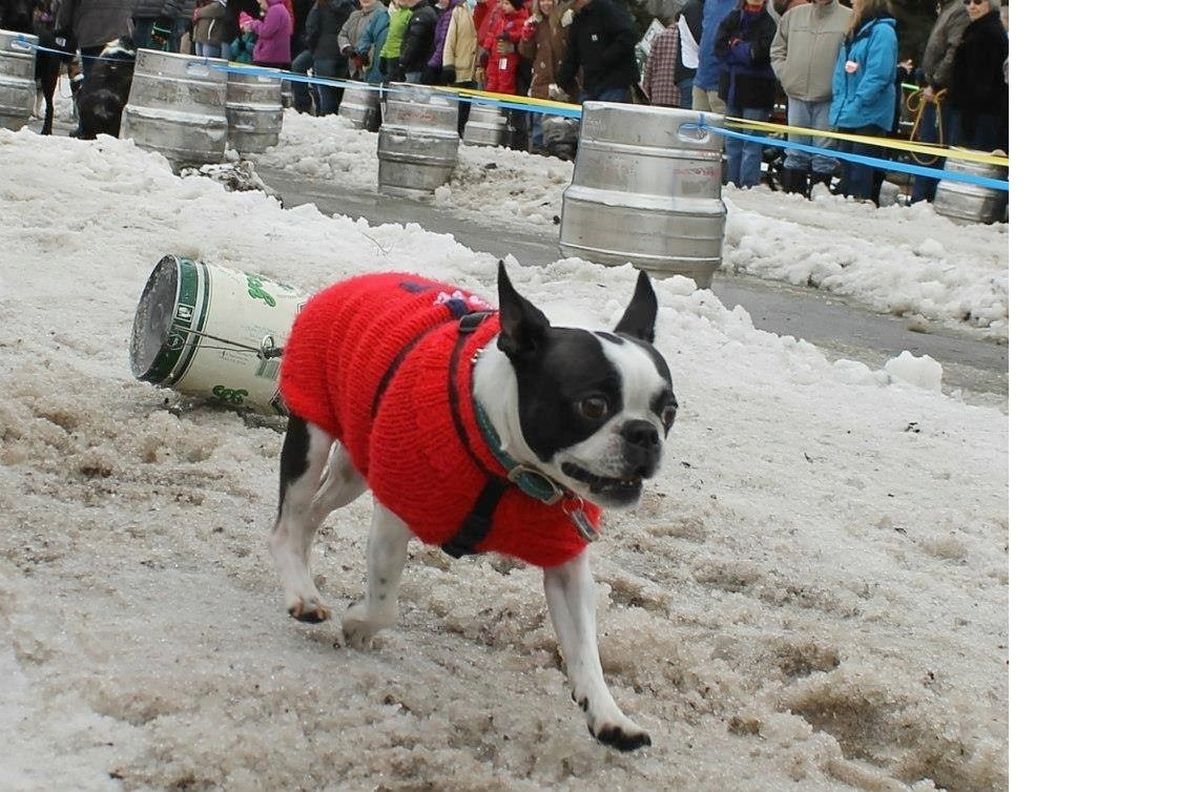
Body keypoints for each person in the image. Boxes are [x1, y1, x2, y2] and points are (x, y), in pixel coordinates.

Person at [769, 0, 851, 195]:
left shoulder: (848, 19)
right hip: (796, 94)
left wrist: (840, 86)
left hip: (829, 98)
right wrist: (785, 75)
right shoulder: (793, 16)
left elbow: (853, 57)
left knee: (824, 157)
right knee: (795, 153)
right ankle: (793, 198)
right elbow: (777, 49)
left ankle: (818, 202)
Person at [828, 0, 897, 204]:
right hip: (849, 111)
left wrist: (858, 102)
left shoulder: (883, 32)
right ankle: (847, 201)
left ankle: (860, 203)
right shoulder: (854, 32)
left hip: (869, 114)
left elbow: (878, 75)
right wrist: (841, 101)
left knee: (861, 170)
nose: (851, 2)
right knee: (846, 165)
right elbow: (841, 72)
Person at [907, 0, 968, 204]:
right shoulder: (948, 8)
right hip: (934, 91)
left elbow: (954, 51)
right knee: (928, 148)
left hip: (942, 95)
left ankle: (925, 198)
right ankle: (921, 197)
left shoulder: (959, 10)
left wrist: (936, 83)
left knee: (935, 149)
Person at [714, 0, 776, 189]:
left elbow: (758, 55)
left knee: (751, 143)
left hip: (757, 93)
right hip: (732, 90)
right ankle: (731, 183)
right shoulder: (732, 18)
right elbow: (719, 48)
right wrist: (743, 50)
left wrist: (737, 46)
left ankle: (748, 186)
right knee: (732, 141)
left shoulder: (769, 23)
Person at [947, 0, 1006, 153]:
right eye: (967, 2)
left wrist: (968, 119)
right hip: (972, 113)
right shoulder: (976, 30)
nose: (972, 6)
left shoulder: (988, 33)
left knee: (970, 166)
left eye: (978, 1)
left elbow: (982, 83)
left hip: (978, 117)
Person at [556, 0, 637, 103]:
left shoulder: (607, 9)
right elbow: (571, 56)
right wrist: (560, 84)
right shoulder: (578, 20)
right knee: (582, 114)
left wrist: (605, 58)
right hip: (591, 85)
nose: (571, 9)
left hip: (615, 83)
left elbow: (629, 35)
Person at [517, 0, 570, 151]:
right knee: (538, 127)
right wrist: (526, 38)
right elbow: (526, 53)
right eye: (542, 1)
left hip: (563, 82)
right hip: (541, 80)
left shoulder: (566, 20)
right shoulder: (534, 23)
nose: (546, 4)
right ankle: (538, 151)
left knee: (559, 128)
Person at [440, 0, 477, 133]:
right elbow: (450, 41)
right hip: (460, 70)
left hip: (478, 72)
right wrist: (448, 65)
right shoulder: (459, 11)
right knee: (456, 113)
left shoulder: (492, 11)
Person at [691, 0, 736, 112]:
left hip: (724, 84)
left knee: (721, 127)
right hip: (701, 80)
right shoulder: (709, 2)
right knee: (698, 127)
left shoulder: (741, 4)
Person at [391, 0, 438, 83]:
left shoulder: (422, 14)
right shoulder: (421, 12)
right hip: (416, 67)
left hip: (416, 69)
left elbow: (414, 43)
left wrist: (402, 64)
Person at [640, 18, 681, 108]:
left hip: (658, 94)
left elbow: (649, 67)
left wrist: (646, 91)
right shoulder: (687, 38)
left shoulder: (660, 36)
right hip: (679, 94)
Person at [243, 0, 294, 68]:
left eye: (260, 3)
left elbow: (266, 31)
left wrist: (254, 24)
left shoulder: (275, 10)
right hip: (278, 56)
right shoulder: (280, 8)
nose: (260, 6)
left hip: (270, 57)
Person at [351, 0, 390, 82]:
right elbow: (367, 35)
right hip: (374, 72)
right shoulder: (381, 14)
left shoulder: (413, 13)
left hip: (398, 73)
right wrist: (363, 51)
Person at [675, 0, 701, 108]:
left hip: (688, 73)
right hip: (692, 70)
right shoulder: (695, 7)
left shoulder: (691, 7)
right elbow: (700, 38)